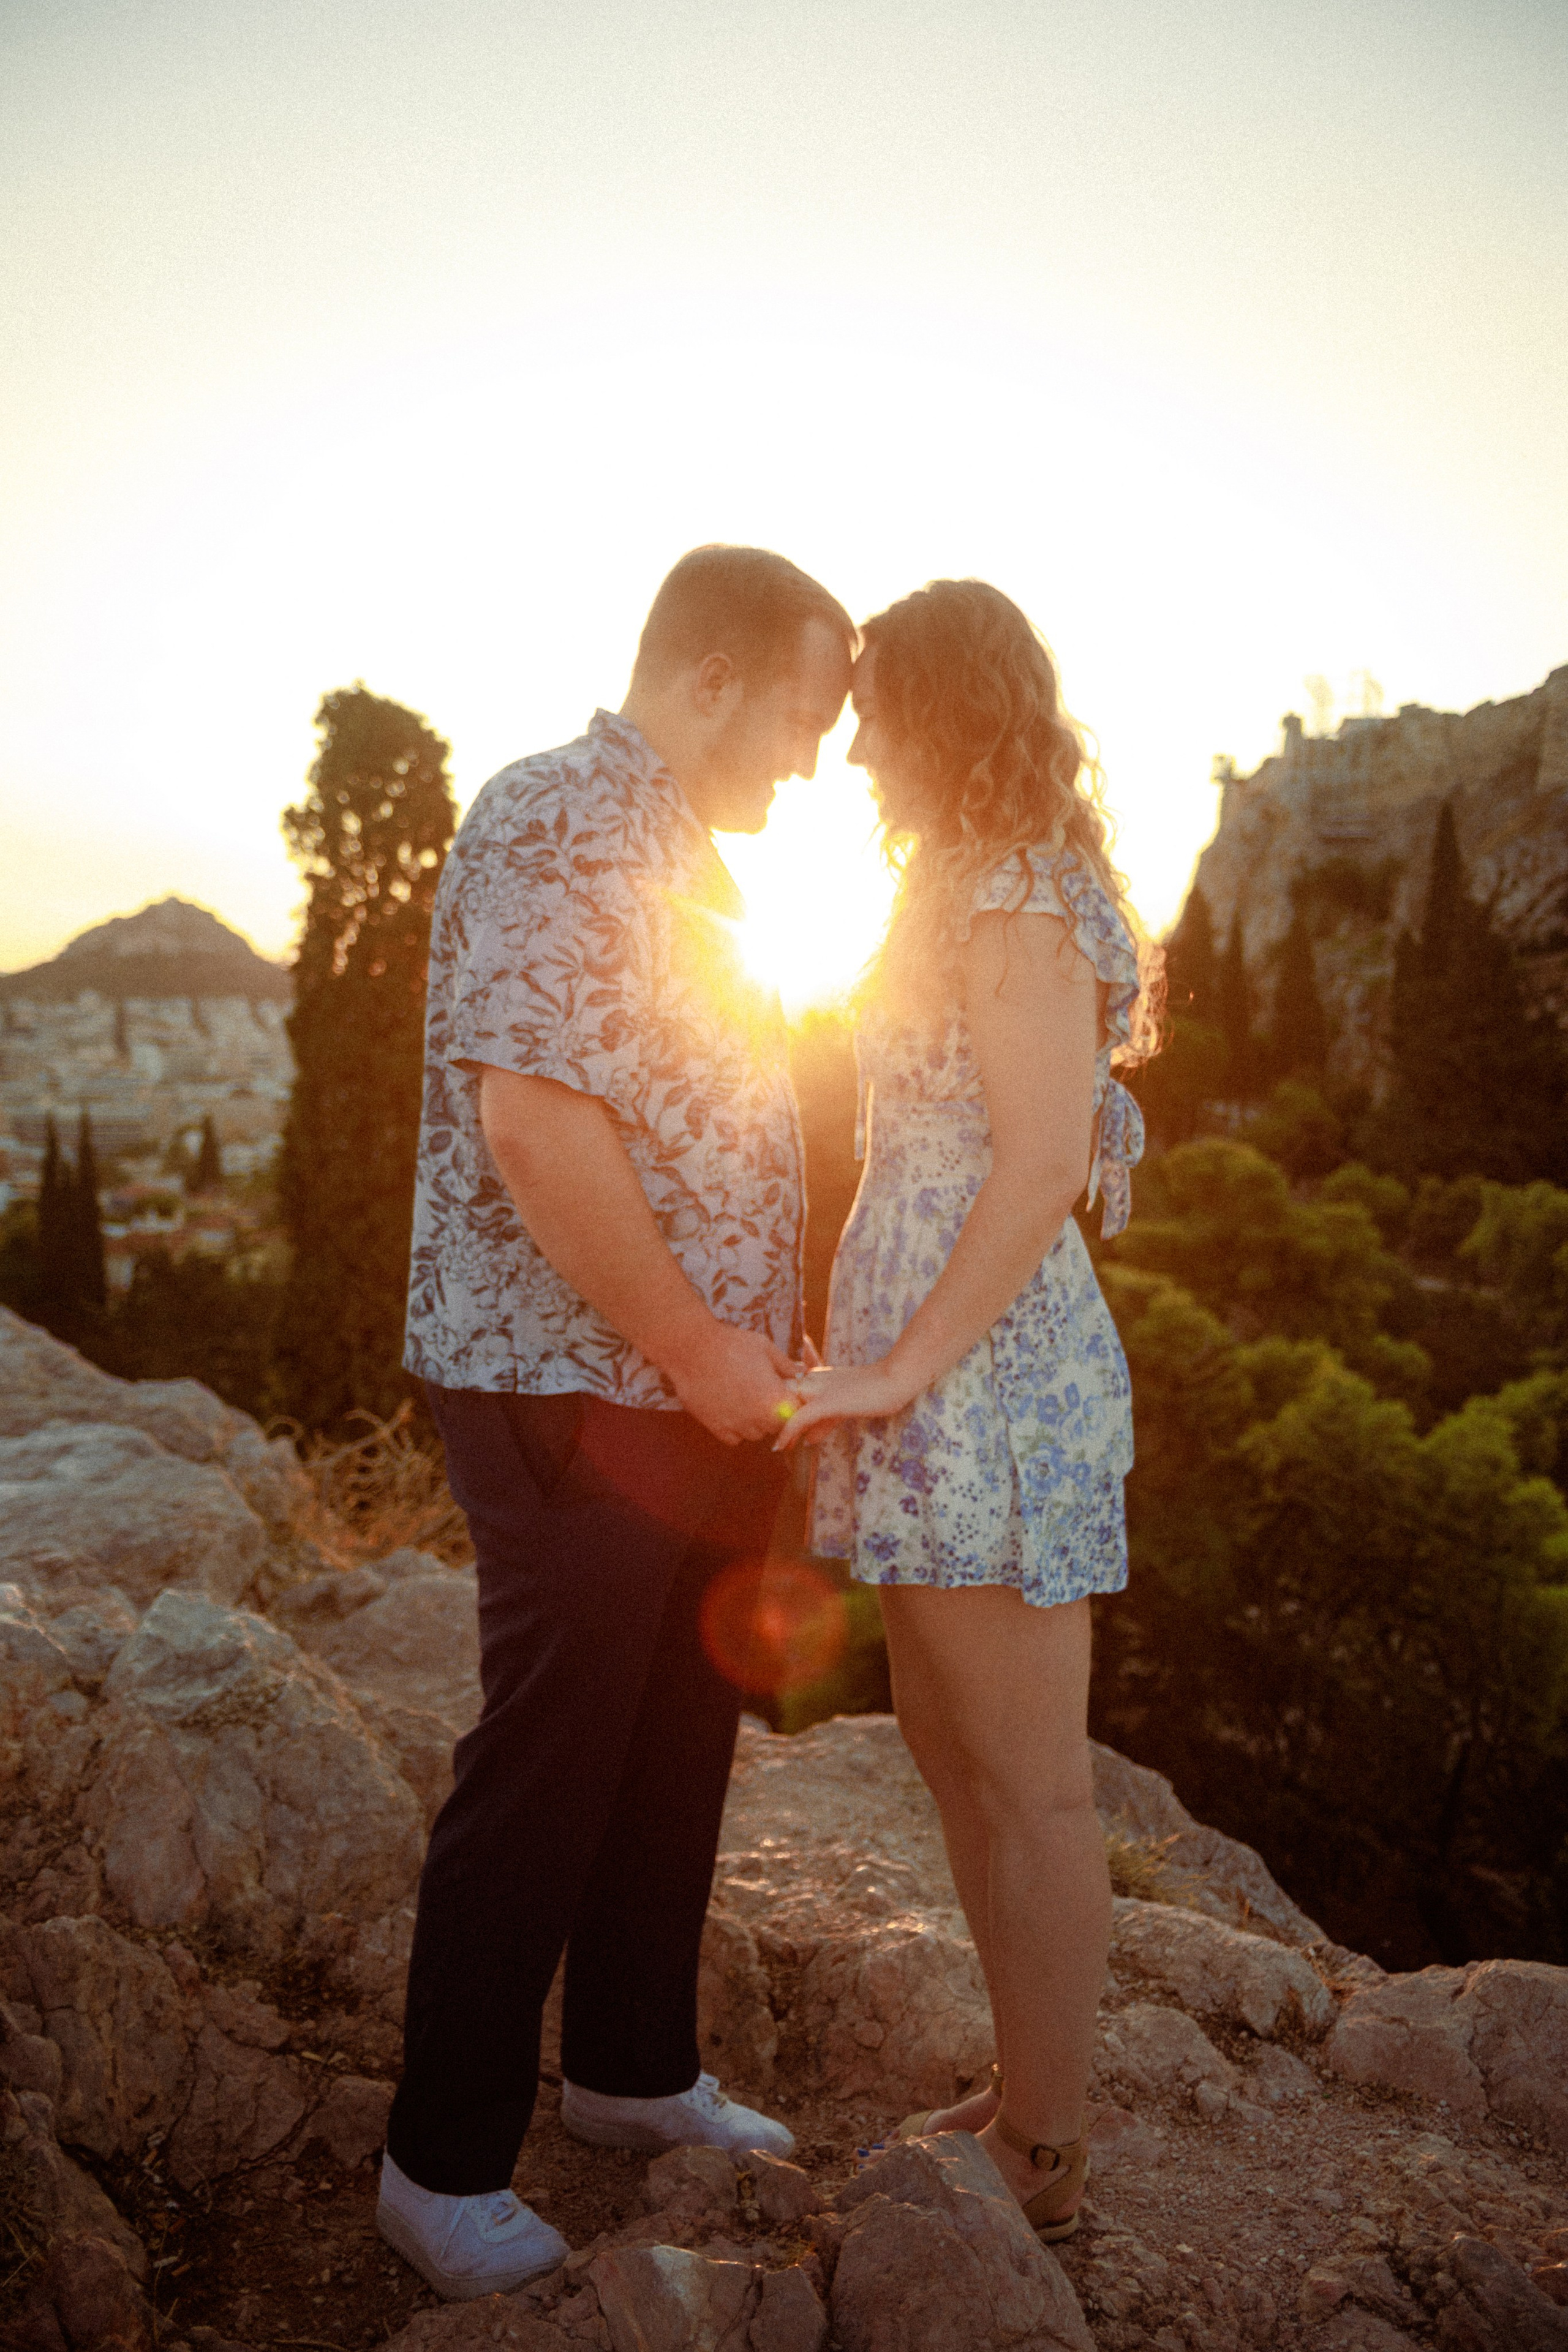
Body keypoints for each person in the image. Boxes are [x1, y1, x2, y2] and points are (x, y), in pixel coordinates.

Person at [380, 545, 855, 2300]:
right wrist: (694, 1345)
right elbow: (534, 1126)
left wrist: (751, 1349)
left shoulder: (686, 861)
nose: (808, 763)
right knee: (554, 1761)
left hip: (691, 1396)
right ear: (714, 676)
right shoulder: (560, 818)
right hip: (571, 1385)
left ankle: (632, 2072)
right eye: (802, 717)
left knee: (673, 1744)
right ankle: (437, 2170)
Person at [777, 578, 1157, 2243]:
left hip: (985, 1386)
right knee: (951, 1754)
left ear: (941, 713)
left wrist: (902, 1367)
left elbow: (1044, 1164)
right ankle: (1023, 2096)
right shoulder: (952, 883)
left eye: (875, 712)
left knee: (1030, 1785)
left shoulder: (1012, 892)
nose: (852, 746)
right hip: (930, 1381)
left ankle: (1051, 2154)